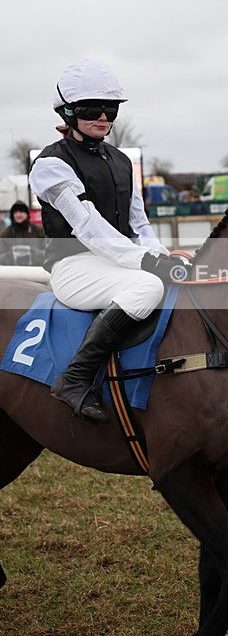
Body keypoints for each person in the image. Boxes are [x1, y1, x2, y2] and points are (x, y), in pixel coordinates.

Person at [29, 59, 180, 424]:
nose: (103, 117)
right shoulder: (50, 164)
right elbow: (88, 227)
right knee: (147, 287)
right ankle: (76, 378)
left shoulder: (122, 160)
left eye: (109, 109)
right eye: (90, 110)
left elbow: (138, 222)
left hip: (116, 261)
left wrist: (160, 253)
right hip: (74, 266)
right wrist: (146, 263)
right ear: (67, 112)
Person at [0, 201, 45, 266]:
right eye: (15, 212)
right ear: (12, 215)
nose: (18, 215)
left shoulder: (38, 230)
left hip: (35, 270)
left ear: (27, 214)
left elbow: (49, 251)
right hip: (13, 271)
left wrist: (38, 254)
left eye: (21, 212)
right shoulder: (5, 233)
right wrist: (8, 256)